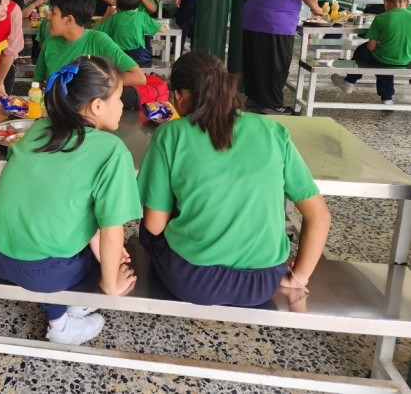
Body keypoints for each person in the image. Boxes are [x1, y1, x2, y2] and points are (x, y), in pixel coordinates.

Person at [137, 51, 331, 307]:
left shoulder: (171, 134)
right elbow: (319, 216)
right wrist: (299, 277)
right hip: (263, 282)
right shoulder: (273, 131)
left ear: (179, 96)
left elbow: (154, 225)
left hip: (194, 281)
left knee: (147, 230)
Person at [0, 55, 139, 345]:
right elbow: (112, 229)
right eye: (118, 98)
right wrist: (111, 284)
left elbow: (47, 197)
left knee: (95, 241)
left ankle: (69, 303)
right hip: (40, 271)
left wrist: (97, 240)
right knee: (109, 253)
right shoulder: (112, 150)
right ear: (97, 106)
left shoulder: (38, 128)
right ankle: (62, 324)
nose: (122, 105)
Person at [241, 0, 324, 115]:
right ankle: (272, 105)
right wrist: (317, 10)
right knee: (275, 64)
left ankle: (254, 99)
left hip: (252, 17)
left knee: (256, 61)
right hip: (276, 21)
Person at [34, 0, 147, 111]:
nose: (48, 17)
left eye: (53, 12)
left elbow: (138, 77)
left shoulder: (98, 41)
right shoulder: (49, 44)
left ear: (68, 19)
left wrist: (96, 84)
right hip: (57, 114)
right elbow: (37, 83)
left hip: (89, 115)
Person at [331, 0, 411, 107]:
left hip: (384, 59)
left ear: (385, 2)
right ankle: (387, 99)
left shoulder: (381, 18)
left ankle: (349, 81)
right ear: (407, 2)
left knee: (364, 50)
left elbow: (371, 47)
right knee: (386, 59)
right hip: (407, 59)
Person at [95, 0, 165, 67]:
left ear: (118, 3)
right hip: (139, 58)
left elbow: (96, 29)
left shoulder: (113, 18)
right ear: (137, 2)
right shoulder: (142, 16)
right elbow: (162, 29)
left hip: (117, 56)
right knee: (146, 37)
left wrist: (107, 14)